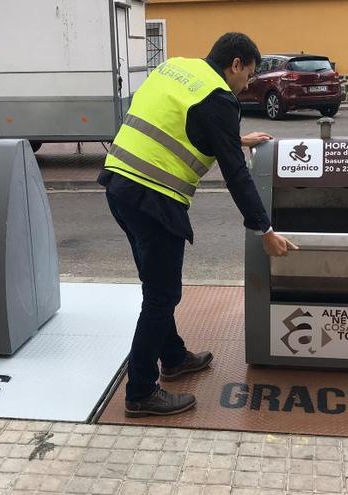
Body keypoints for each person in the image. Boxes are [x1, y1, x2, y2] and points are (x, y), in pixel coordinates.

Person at [99, 32, 298, 418]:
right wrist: (266, 231)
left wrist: (234, 138)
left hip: (118, 186)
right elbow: (237, 176)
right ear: (235, 64)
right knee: (161, 297)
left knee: (156, 286)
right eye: (249, 75)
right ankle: (140, 392)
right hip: (155, 201)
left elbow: (175, 120)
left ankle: (173, 358)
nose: (247, 85)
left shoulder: (177, 67)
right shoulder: (219, 98)